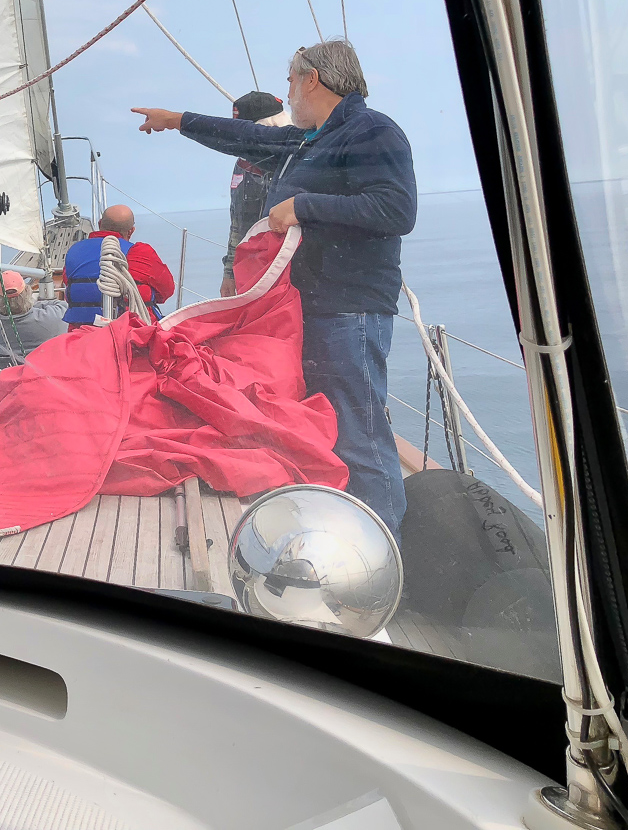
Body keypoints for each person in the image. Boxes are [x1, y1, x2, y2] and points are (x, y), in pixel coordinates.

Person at [131, 39, 417, 541]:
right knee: (319, 427)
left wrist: (303, 206)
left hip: (348, 311)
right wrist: (178, 120)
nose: (287, 94)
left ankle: (387, 550)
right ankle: (341, 541)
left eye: (290, 81)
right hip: (308, 309)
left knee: (359, 432)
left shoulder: (372, 131)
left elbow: (395, 209)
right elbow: (246, 137)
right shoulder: (310, 139)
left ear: (312, 79)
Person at [221, 91, 291, 298]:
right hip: (252, 272)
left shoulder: (297, 161)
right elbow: (237, 222)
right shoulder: (243, 165)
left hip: (292, 272)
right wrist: (229, 273)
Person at [63, 204, 175, 326]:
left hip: (81, 330)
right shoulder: (142, 253)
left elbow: (67, 283)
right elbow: (167, 290)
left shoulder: (74, 252)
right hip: (132, 330)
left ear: (100, 224)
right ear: (131, 231)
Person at [0, 271, 67, 370]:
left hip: (7, 374)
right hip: (46, 374)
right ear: (27, 292)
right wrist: (34, 304)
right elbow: (64, 306)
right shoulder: (54, 317)